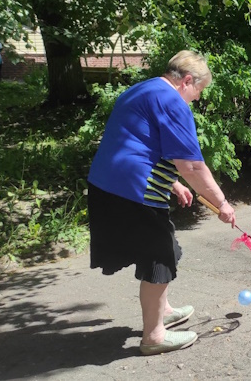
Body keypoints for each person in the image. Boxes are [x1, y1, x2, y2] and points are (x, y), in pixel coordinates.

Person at [87, 50, 237, 356]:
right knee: (159, 255)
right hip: (131, 190)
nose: (197, 98)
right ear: (186, 81)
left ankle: (163, 311)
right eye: (199, 90)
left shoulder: (143, 89)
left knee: (164, 246)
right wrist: (222, 203)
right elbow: (192, 166)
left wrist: (172, 183)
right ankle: (154, 336)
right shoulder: (172, 101)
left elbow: (139, 142)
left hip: (107, 184)